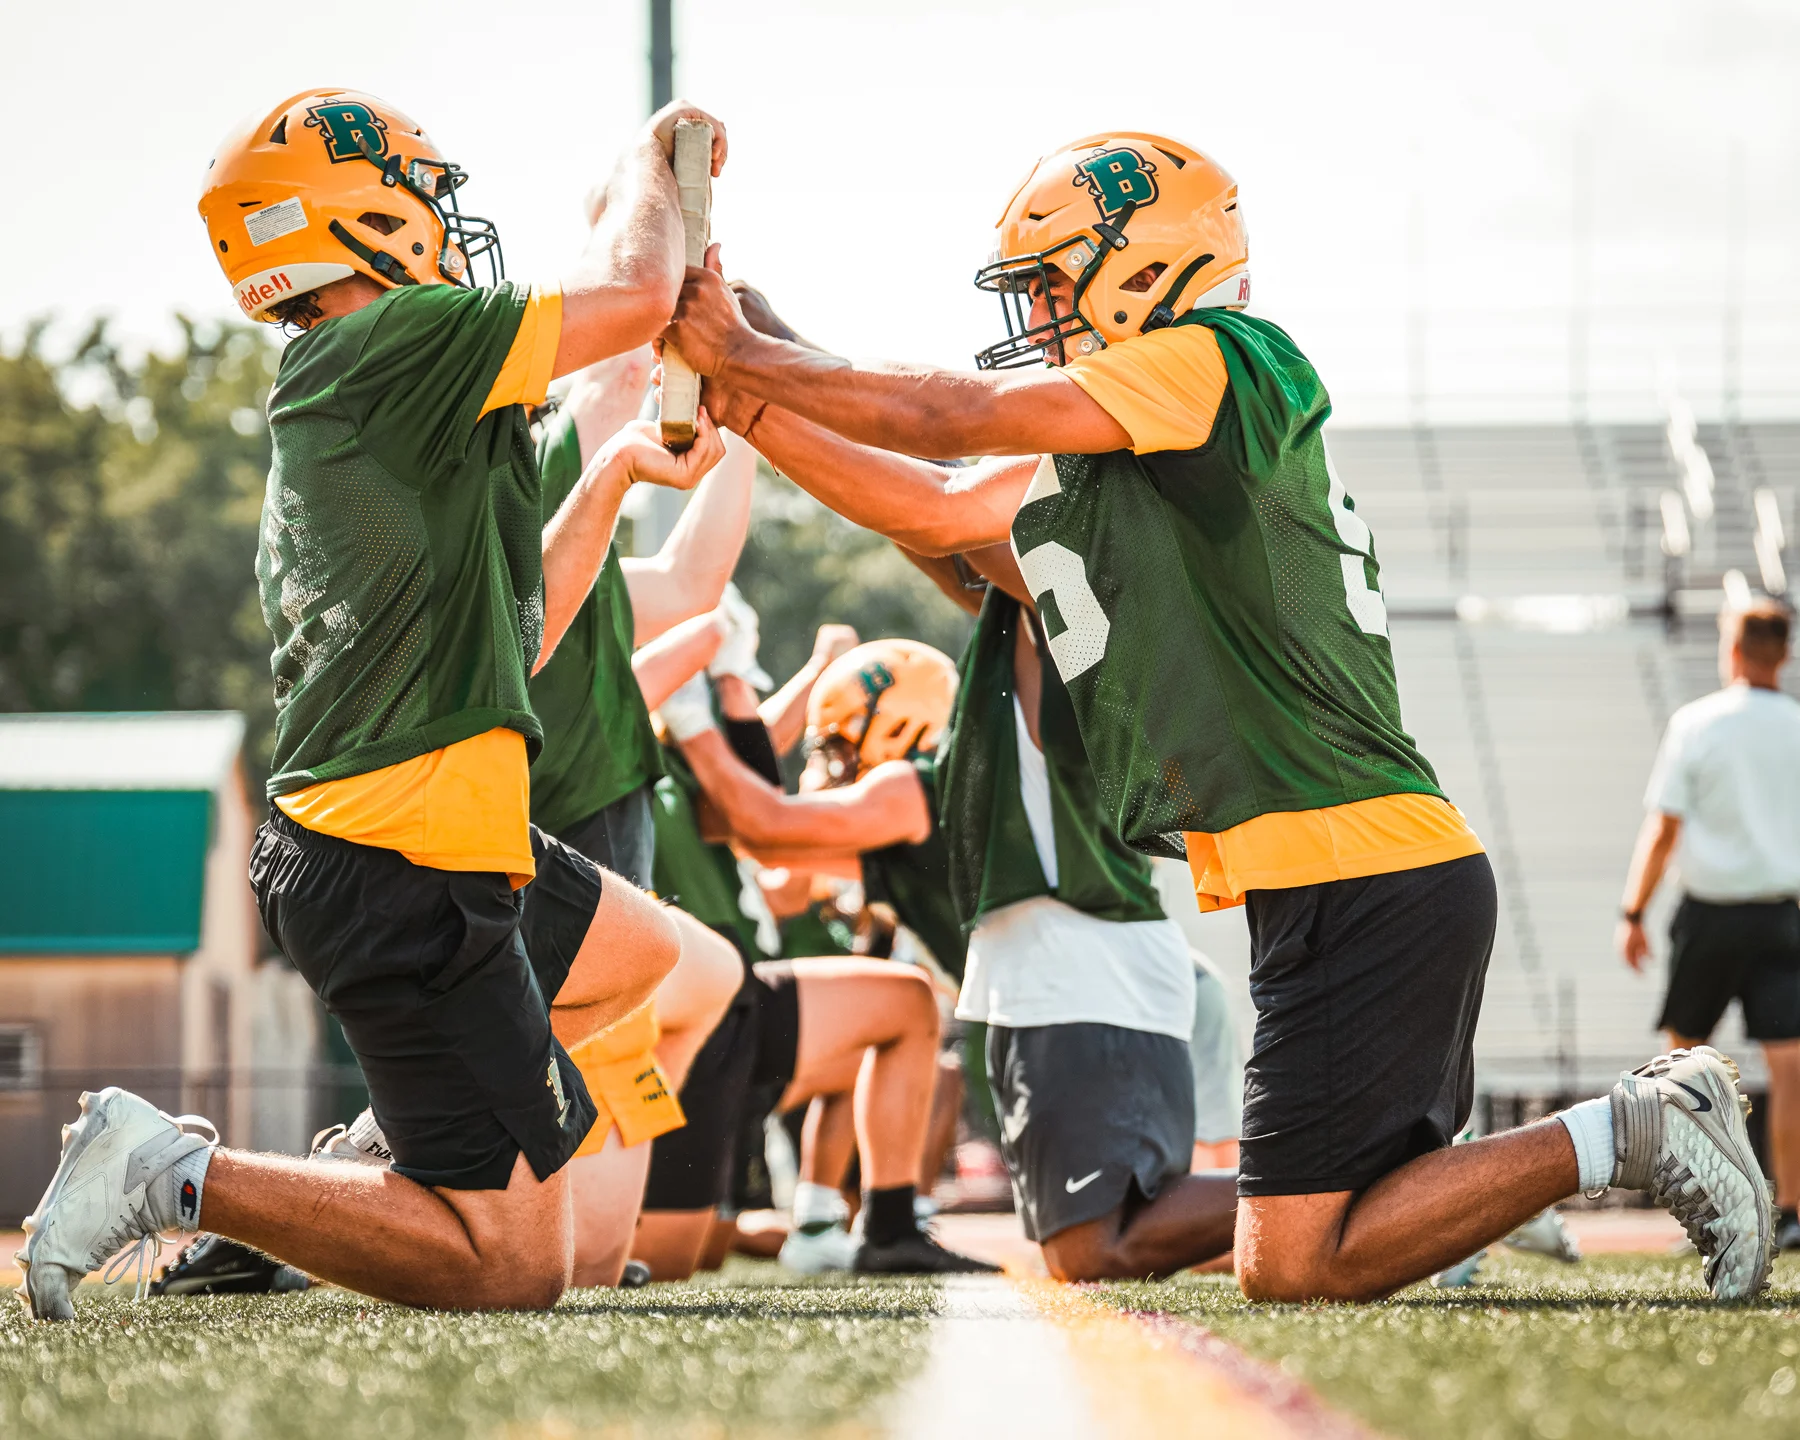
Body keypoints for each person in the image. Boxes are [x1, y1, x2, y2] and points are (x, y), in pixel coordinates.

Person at [663, 129, 1775, 1302]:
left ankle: (1641, 1126)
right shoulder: (1136, 457)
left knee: (1293, 1266)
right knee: (1302, 1255)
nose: (1039, 314)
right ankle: (1593, 1146)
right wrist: (752, 382)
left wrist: (749, 361)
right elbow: (931, 506)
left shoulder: (1219, 359)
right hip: (1338, 874)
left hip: (1365, 868)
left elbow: (951, 421)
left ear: (1142, 266)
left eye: (1052, 282)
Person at [18, 88, 733, 1320]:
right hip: (399, 854)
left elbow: (525, 637)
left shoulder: (387, 392)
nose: (449, 230)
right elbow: (629, 301)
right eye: (425, 201)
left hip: (425, 832)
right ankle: (172, 1171)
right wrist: (644, 168)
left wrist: (613, 471)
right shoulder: (381, 346)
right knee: (513, 1271)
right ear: (363, 220)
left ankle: (366, 1166)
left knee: (646, 958)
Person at [632, 639, 994, 1277]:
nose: (830, 764)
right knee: (683, 1255)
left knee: (907, 1011)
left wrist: (703, 718)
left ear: (899, 724)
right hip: (716, 1012)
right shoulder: (922, 789)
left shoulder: (913, 790)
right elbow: (750, 836)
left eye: (842, 745)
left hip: (1067, 1017)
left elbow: (764, 830)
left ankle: (874, 1220)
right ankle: (847, 1220)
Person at [1620, 600, 1800, 1251]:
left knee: (1685, 1065)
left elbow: (1664, 825)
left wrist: (1634, 910)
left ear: (1732, 650)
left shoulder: (1698, 723)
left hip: (1710, 917)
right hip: (1783, 917)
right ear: (1783, 653)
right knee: (1790, 1070)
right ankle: (1792, 1215)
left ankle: (1706, 1211)